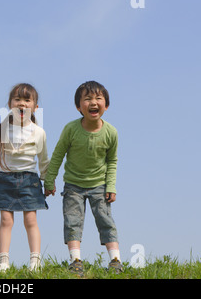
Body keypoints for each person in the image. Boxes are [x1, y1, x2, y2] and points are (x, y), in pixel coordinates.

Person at [44, 81, 123, 275]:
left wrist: (111, 186)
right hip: (73, 185)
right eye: (87, 99)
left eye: (98, 98)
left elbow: (112, 161)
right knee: (72, 221)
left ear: (106, 105)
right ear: (79, 107)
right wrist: (49, 180)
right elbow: (58, 154)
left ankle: (115, 260)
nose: (93, 102)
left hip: (100, 185)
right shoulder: (71, 129)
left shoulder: (111, 132)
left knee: (106, 220)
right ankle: (75, 260)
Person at [0, 83, 49, 271]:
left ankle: (35, 261)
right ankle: (3, 261)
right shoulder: (1, 129)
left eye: (27, 100)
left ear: (35, 107)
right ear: (10, 104)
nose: (22, 104)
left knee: (31, 220)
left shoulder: (39, 132)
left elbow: (44, 159)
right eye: (17, 99)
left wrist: (48, 180)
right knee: (6, 220)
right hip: (5, 179)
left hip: (29, 180)